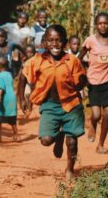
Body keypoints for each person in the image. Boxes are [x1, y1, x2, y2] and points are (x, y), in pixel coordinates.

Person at [18, 25, 87, 181]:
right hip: (50, 105)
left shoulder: (72, 61)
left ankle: (70, 169)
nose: (55, 44)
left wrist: (82, 82)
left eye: (59, 41)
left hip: (71, 105)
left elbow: (81, 81)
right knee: (46, 140)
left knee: (72, 142)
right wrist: (21, 98)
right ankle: (58, 136)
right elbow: (23, 76)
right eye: (50, 41)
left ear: (66, 43)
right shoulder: (37, 60)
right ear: (44, 42)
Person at [78, 12, 108, 154]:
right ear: (96, 25)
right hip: (93, 82)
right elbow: (79, 58)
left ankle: (101, 144)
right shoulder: (90, 40)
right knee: (96, 114)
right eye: (100, 23)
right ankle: (92, 124)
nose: (103, 26)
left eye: (105, 23)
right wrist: (83, 76)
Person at [0, 57, 19, 142]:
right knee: (12, 118)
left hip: (4, 99)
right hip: (12, 98)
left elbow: (1, 88)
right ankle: (16, 135)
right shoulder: (9, 74)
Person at [1, 11, 31, 76]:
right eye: (20, 18)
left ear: (27, 20)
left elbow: (28, 43)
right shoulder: (9, 26)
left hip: (21, 51)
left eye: (24, 19)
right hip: (8, 49)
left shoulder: (28, 30)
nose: (22, 20)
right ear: (17, 18)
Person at [21, 44, 36, 116]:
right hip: (28, 81)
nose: (29, 54)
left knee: (31, 95)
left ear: (34, 53)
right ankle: (27, 107)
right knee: (27, 94)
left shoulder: (36, 61)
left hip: (35, 82)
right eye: (27, 52)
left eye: (31, 53)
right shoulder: (24, 61)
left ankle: (30, 108)